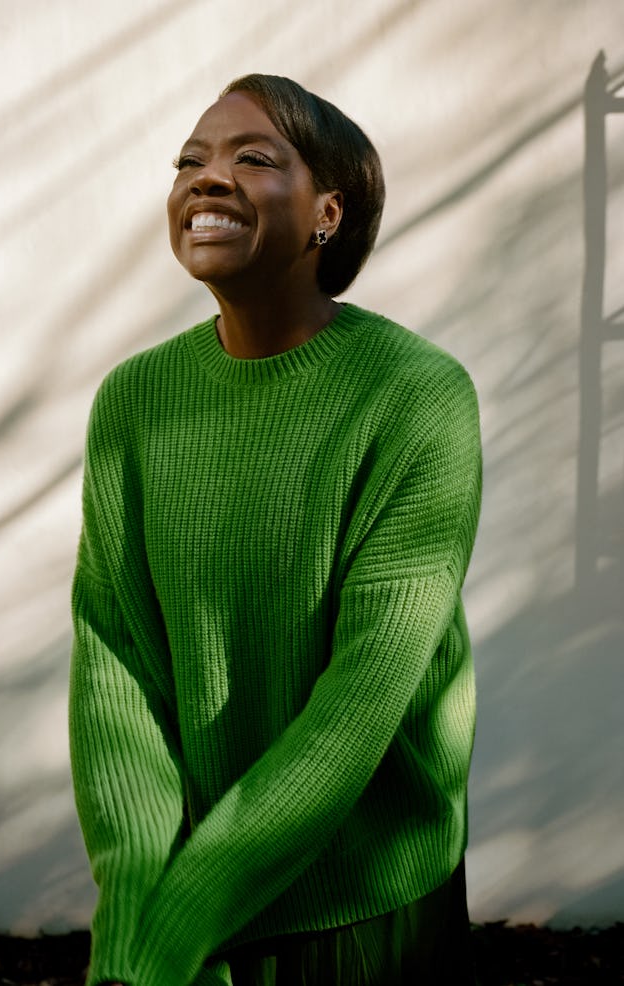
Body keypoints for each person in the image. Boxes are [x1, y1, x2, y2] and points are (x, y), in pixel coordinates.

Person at [69, 74, 482, 986]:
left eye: (252, 159)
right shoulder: (134, 401)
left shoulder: (414, 394)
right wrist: (141, 903)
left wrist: (179, 919)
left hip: (360, 908)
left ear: (328, 211)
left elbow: (363, 699)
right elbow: (114, 660)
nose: (205, 180)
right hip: (188, 906)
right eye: (189, 162)